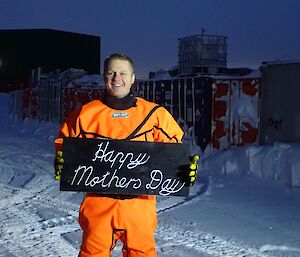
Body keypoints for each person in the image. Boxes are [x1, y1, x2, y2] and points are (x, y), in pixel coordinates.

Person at [54, 53, 198, 257]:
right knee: (93, 254)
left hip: (139, 204)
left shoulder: (155, 115)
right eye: (111, 73)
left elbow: (173, 152)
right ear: (105, 77)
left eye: (123, 73)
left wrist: (184, 169)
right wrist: (62, 162)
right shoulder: (84, 114)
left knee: (141, 253)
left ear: (132, 78)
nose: (116, 78)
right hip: (98, 202)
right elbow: (64, 145)